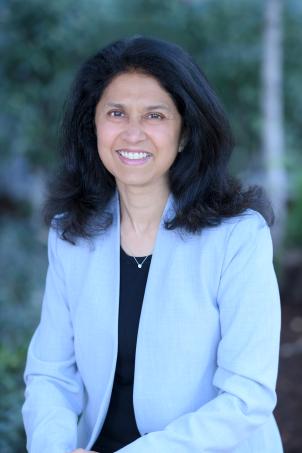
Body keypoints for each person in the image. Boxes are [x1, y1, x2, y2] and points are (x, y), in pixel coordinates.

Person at [22, 35, 283, 453]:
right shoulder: (71, 234)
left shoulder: (238, 236)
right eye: (116, 113)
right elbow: (51, 374)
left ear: (184, 133)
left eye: (155, 116)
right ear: (94, 126)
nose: (133, 132)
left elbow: (246, 397)